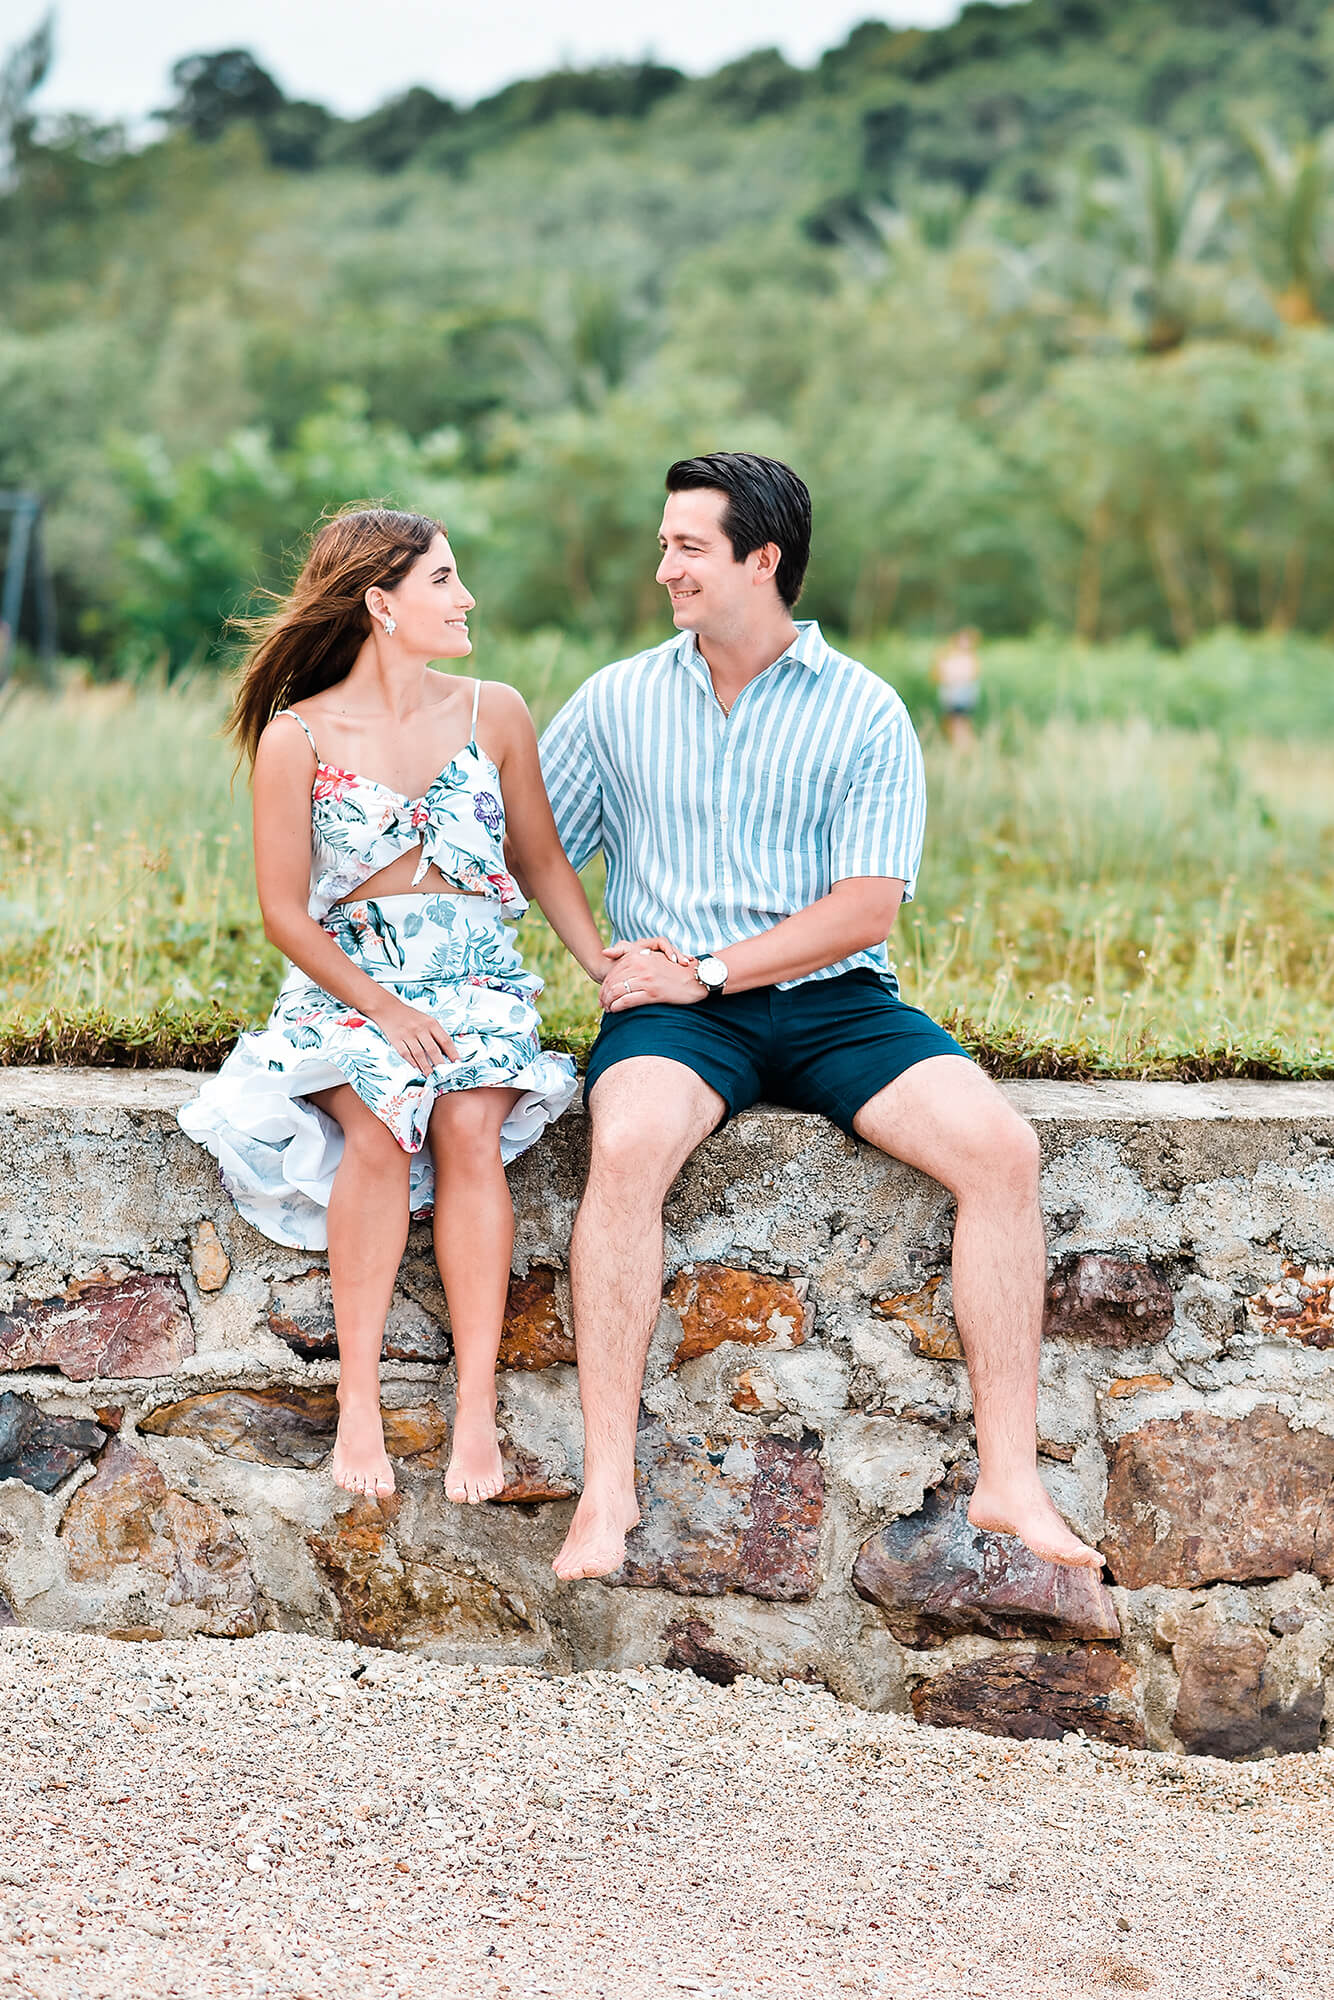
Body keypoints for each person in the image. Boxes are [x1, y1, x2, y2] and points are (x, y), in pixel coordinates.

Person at [539, 451, 1103, 1582]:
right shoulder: (615, 698)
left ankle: (1009, 1477)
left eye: (686, 546)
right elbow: (529, 845)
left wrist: (705, 965)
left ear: (762, 559)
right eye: (662, 543)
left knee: (1001, 1150)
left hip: (831, 1003)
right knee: (631, 1139)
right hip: (681, 1016)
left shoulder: (863, 709)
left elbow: (864, 906)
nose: (663, 568)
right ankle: (605, 1488)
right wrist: (603, 959)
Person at [180, 506, 623, 1505]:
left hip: (475, 974)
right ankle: (360, 1403)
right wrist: (380, 1008)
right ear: (380, 602)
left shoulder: (494, 711)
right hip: (352, 981)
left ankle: (474, 1409)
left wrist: (599, 964)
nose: (465, 598)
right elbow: (285, 915)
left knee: (468, 1122)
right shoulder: (298, 737)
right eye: (443, 579)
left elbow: (539, 858)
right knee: (382, 1122)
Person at [931, 626, 982, 748]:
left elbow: (968, 676)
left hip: (962, 697)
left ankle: (965, 748)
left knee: (960, 724)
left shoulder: (969, 658)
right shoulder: (950, 656)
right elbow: (938, 675)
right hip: (951, 697)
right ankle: (960, 748)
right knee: (951, 724)